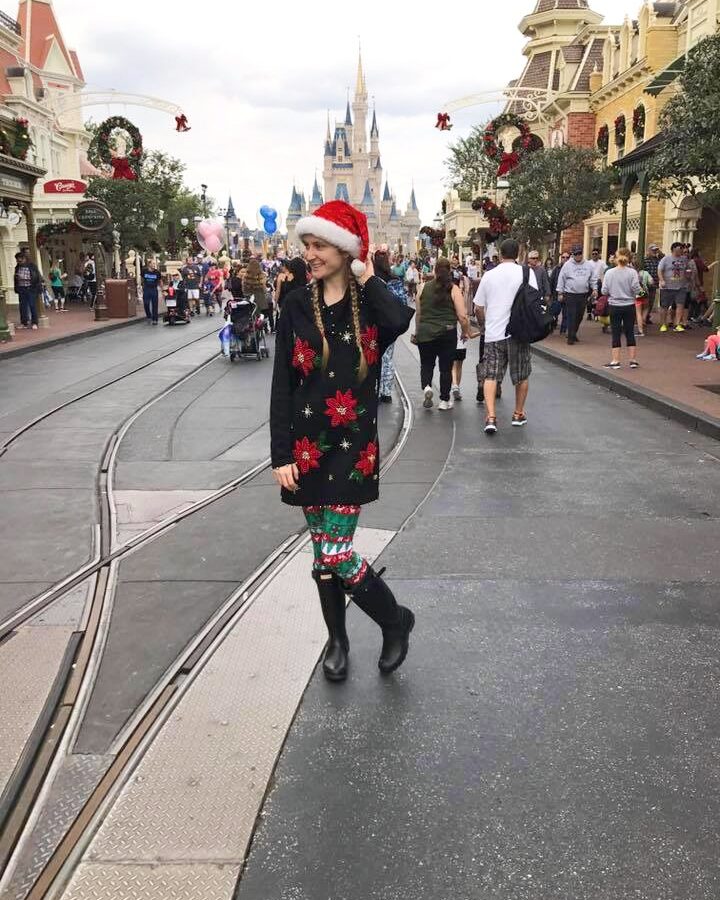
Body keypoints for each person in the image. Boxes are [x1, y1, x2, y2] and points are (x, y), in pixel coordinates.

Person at [270, 199, 415, 681]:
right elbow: (282, 385)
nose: (308, 253)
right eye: (306, 245)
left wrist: (368, 274)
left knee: (336, 552)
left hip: (353, 446)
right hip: (307, 447)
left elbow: (399, 320)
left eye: (318, 245)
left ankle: (394, 622)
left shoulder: (370, 303)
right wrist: (281, 452)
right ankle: (337, 639)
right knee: (322, 556)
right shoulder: (294, 304)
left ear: (344, 249)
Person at [473, 238, 537, 434]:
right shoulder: (527, 272)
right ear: (518, 253)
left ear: (500, 254)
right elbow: (534, 299)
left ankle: (491, 417)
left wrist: (485, 324)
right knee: (522, 374)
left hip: (494, 333)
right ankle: (518, 413)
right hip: (519, 332)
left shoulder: (489, 275)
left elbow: (478, 307)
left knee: (491, 375)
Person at [415, 257, 470, 411]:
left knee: (426, 364)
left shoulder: (423, 287)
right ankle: (444, 400)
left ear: (435, 270)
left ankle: (427, 387)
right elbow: (462, 316)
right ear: (449, 270)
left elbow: (418, 314)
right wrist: (465, 332)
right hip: (447, 332)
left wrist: (417, 332)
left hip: (425, 332)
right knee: (445, 368)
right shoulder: (453, 289)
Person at [373, 250, 409, 404]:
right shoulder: (394, 280)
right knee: (387, 356)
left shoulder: (371, 280)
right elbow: (403, 302)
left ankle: (375, 388)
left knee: (373, 356)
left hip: (374, 324)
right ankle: (386, 391)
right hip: (390, 324)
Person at [600, 247, 641, 369]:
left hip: (615, 305)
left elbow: (604, 291)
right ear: (629, 258)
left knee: (616, 332)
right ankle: (633, 360)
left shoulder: (610, 273)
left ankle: (615, 360)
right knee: (629, 332)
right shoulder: (632, 272)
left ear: (616, 258)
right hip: (629, 305)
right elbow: (637, 289)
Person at [557, 244, 597, 344]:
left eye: (580, 253)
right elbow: (561, 278)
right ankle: (570, 337)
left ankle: (573, 333)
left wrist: (595, 289)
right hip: (570, 293)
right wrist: (560, 292)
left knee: (579, 316)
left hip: (583, 294)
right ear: (573, 255)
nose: (578, 256)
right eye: (576, 254)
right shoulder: (567, 265)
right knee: (571, 315)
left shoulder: (588, 265)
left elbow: (593, 278)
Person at [657, 242, 694, 332]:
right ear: (673, 249)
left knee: (680, 305)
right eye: (678, 249)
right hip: (667, 286)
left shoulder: (684, 260)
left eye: (681, 249)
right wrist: (662, 280)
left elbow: (688, 270)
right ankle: (663, 324)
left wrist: (688, 275)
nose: (680, 251)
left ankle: (677, 324)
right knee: (664, 306)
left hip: (681, 286)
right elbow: (660, 270)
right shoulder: (665, 259)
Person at [14, 250, 41, 329]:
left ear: (24, 258)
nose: (19, 262)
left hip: (30, 288)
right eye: (17, 260)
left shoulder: (32, 266)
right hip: (21, 288)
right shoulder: (17, 267)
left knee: (32, 305)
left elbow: (36, 277)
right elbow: (15, 278)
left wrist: (25, 278)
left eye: (20, 260)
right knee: (22, 306)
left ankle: (34, 322)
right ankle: (24, 322)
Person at [242, 257, 270, 328]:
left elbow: (243, 287)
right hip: (259, 298)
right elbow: (263, 286)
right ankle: (263, 326)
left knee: (251, 313)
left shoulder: (245, 275)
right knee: (261, 313)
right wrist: (266, 292)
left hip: (248, 297)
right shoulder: (261, 275)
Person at [549, 250, 569, 331]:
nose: (565, 259)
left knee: (566, 313)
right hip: (557, 294)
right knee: (554, 311)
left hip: (567, 294)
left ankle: (563, 329)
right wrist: (550, 293)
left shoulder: (571, 268)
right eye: (563, 257)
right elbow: (552, 281)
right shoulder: (556, 268)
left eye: (567, 257)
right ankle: (552, 325)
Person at [141, 258, 162, 324]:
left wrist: (162, 290)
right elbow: (141, 278)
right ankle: (149, 316)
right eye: (153, 263)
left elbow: (160, 281)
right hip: (146, 289)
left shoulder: (157, 272)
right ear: (149, 264)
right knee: (146, 304)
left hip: (154, 289)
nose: (154, 265)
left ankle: (155, 319)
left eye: (154, 264)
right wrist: (140, 286)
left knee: (154, 305)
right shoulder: (144, 271)